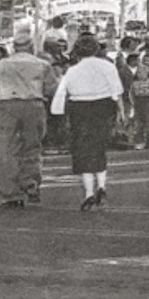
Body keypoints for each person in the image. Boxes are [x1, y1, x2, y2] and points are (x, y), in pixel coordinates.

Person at [0, 26, 58, 208]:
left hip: (7, 105)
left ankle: (11, 193)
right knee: (33, 146)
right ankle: (31, 184)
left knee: (7, 150)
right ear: (32, 46)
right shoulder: (42, 65)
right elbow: (51, 88)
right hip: (34, 104)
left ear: (14, 47)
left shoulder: (0, 65)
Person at [51, 35, 125, 211]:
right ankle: (102, 186)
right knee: (99, 147)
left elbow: (62, 93)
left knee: (83, 149)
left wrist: (59, 112)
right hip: (104, 107)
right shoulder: (108, 66)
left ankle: (89, 193)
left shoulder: (72, 70)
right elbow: (117, 91)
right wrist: (122, 112)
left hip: (80, 109)